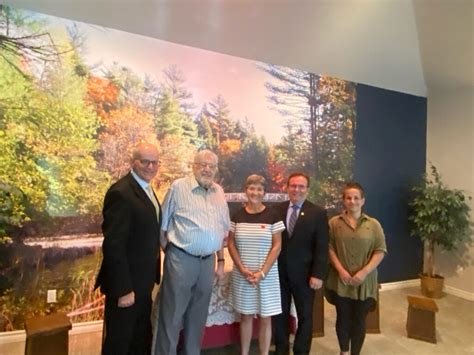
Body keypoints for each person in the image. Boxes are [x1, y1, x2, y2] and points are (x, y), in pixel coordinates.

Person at [154, 150, 230, 355]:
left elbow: (222, 231)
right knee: (172, 315)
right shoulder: (179, 187)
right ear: (194, 165)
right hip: (181, 259)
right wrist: (171, 254)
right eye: (202, 164)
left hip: (208, 262)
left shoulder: (219, 192)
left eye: (211, 166)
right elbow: (162, 227)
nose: (207, 169)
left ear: (216, 169)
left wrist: (221, 260)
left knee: (198, 317)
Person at [95, 142, 162, 355]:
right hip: (127, 287)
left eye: (155, 162)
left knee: (139, 339)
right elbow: (114, 245)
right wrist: (124, 289)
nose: (150, 166)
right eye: (145, 161)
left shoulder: (146, 189)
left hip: (143, 283)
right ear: (134, 162)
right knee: (119, 343)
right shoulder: (121, 193)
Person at [325, 182, 387, 355]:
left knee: (359, 320)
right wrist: (341, 271)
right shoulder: (334, 223)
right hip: (341, 281)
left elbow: (380, 250)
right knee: (343, 319)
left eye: (356, 198)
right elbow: (329, 248)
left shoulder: (374, 225)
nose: (352, 201)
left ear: (363, 200)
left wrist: (364, 272)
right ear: (343, 201)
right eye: (348, 198)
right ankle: (344, 351)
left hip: (364, 282)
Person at [227, 175, 284, 355]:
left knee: (266, 318)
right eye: (252, 188)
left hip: (266, 276)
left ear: (264, 192)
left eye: (259, 189)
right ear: (246, 190)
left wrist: (262, 273)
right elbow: (230, 243)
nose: (255, 192)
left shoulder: (273, 215)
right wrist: (243, 269)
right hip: (242, 275)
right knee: (246, 316)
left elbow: (277, 246)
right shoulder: (236, 215)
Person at [273, 172, 329, 355]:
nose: (296, 189)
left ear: (307, 189)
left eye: (301, 186)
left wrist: (318, 274)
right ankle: (281, 351)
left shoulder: (318, 213)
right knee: (279, 317)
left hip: (306, 276)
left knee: (305, 317)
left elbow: (322, 246)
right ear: (287, 187)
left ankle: (301, 351)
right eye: (293, 186)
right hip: (279, 275)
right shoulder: (277, 210)